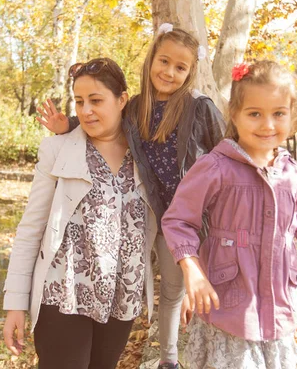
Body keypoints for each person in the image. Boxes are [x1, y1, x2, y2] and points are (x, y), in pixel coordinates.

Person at [37, 24, 226, 369]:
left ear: (190, 71)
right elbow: (101, 121)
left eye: (180, 67)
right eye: (163, 61)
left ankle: (171, 358)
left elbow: (225, 153)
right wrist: (68, 128)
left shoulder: (199, 107)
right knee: (140, 277)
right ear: (151, 59)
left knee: (175, 289)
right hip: (148, 211)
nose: (169, 72)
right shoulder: (136, 106)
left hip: (184, 220)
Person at [161, 60, 297, 368]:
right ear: (235, 115)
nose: (268, 125)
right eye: (255, 114)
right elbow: (178, 220)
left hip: (279, 309)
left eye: (278, 113)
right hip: (229, 307)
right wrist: (192, 269)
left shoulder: (294, 174)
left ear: (291, 114)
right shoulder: (215, 168)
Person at [2, 58, 159, 369]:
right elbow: (31, 229)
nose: (85, 110)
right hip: (64, 296)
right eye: (79, 101)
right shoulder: (58, 150)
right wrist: (15, 305)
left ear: (122, 100)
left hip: (121, 296)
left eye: (96, 100)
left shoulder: (145, 155)